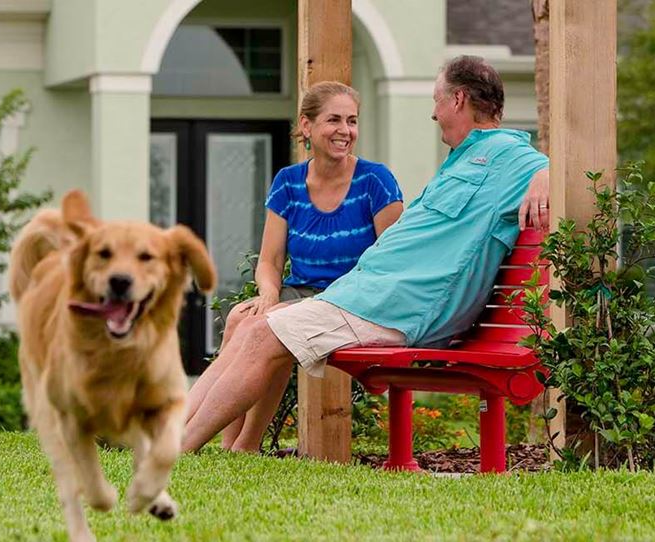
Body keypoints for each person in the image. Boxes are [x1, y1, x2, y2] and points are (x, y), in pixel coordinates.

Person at [182, 55, 553, 453]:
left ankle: (179, 451)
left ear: (458, 100)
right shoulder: (464, 157)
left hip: (402, 307)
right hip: (369, 296)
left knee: (261, 335)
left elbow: (563, 168)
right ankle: (175, 440)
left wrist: (546, 175)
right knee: (250, 328)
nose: (434, 112)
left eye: (437, 100)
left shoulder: (510, 157)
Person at [207, 81, 405, 453]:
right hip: (299, 292)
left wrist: (279, 307)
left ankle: (244, 444)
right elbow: (269, 260)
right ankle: (230, 445)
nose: (345, 131)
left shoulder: (375, 181)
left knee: (274, 326)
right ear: (307, 126)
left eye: (352, 121)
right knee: (240, 317)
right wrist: (267, 293)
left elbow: (391, 260)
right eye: (334, 120)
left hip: (349, 300)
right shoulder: (288, 183)